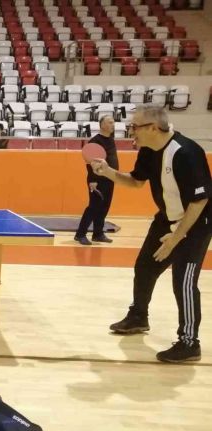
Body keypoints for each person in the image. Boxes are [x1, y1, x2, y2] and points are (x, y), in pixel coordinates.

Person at [91, 104, 212, 363]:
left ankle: (189, 342)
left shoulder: (187, 152)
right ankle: (138, 317)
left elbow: (199, 201)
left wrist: (176, 238)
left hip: (196, 224)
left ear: (154, 128)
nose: (131, 130)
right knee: (145, 266)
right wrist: (108, 172)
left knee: (183, 281)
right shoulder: (147, 150)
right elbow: (136, 182)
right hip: (166, 219)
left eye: (135, 126)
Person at [74, 115, 118, 245]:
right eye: (110, 122)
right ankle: (80, 234)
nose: (113, 125)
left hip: (110, 178)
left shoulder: (111, 139)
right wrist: (93, 180)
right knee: (94, 207)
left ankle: (98, 234)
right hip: (97, 180)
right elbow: (90, 163)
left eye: (113, 122)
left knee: (104, 206)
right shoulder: (95, 141)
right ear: (102, 125)